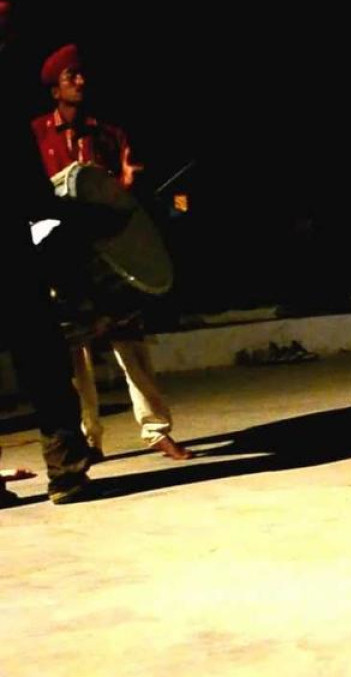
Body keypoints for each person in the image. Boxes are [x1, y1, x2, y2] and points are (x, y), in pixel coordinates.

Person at [31, 44, 191, 461]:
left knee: (129, 338)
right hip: (60, 252)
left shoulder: (109, 134)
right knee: (73, 353)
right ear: (55, 90)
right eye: (71, 77)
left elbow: (124, 199)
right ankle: (89, 437)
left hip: (107, 252)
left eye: (82, 74)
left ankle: (156, 430)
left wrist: (128, 185)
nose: (81, 81)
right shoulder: (35, 136)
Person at [1, 2, 97, 505]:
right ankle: (66, 471)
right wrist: (51, 217)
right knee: (40, 356)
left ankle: (66, 470)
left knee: (39, 354)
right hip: (11, 246)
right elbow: (21, 170)